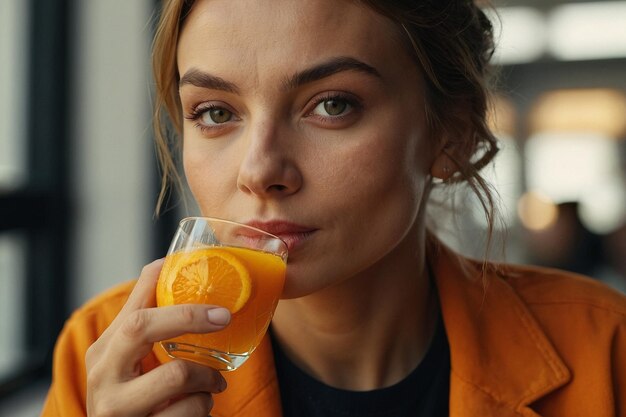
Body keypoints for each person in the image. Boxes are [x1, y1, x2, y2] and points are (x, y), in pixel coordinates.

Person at [42, 0, 626, 416]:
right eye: (216, 112)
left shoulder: (606, 347)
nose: (260, 170)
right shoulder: (109, 355)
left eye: (333, 105)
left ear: (451, 133)